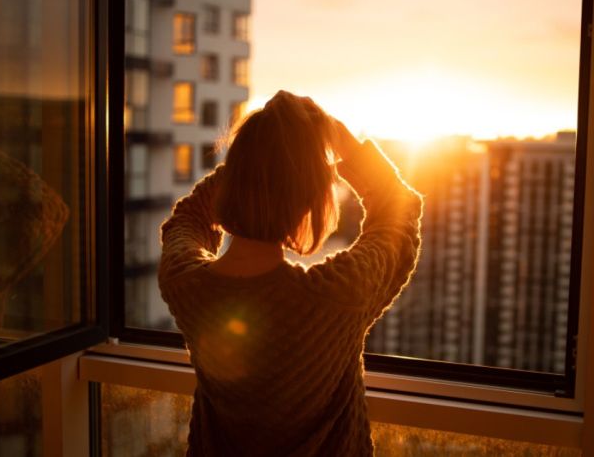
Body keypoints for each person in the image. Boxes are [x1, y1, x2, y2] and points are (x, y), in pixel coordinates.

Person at [158, 90, 423, 456]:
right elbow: (399, 215)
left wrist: (254, 162)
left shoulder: (185, 284)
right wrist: (348, 149)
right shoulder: (338, 297)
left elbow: (187, 218)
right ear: (308, 202)